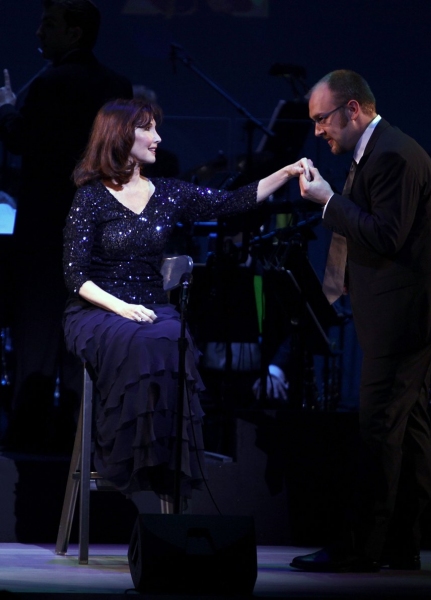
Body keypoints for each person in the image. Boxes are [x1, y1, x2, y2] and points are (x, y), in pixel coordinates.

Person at [62, 97, 308, 505]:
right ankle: (122, 456)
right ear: (122, 135)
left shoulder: (169, 193)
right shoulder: (89, 198)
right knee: (142, 340)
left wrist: (285, 172)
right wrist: (120, 308)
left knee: (172, 337)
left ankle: (162, 463)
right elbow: (76, 277)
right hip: (97, 310)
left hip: (149, 306)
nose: (158, 138)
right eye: (149, 129)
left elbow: (230, 203)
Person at [289, 70, 431, 572]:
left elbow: (386, 235)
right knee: (407, 430)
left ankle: (359, 548)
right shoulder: (379, 150)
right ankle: (400, 545)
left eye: (322, 119)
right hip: (407, 313)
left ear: (352, 109)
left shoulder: (390, 154)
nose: (318, 130)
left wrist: (327, 201)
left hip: (406, 317)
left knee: (379, 430)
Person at [0, 0, 133, 452]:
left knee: (35, 347)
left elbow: (21, 139)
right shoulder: (117, 86)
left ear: (73, 33)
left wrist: (5, 108)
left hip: (44, 238)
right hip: (97, 238)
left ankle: (27, 447)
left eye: (48, 24)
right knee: (84, 348)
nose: (38, 33)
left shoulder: (50, 84)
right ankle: (78, 449)